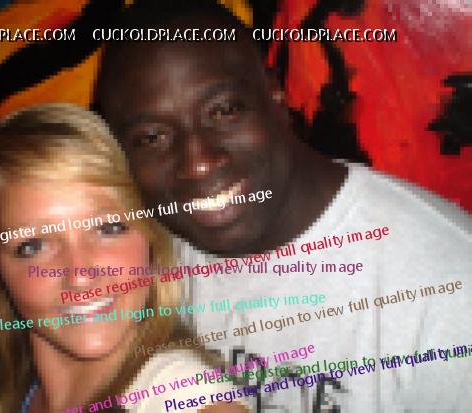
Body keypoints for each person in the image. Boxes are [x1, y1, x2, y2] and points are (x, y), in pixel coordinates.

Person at [97, 1, 472, 411]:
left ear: (276, 96)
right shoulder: (143, 259)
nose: (197, 162)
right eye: (152, 137)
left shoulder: (449, 291)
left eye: (223, 111)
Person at [0, 104, 250, 413]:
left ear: (151, 237)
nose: (80, 274)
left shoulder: (183, 393)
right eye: (33, 246)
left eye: (108, 229)